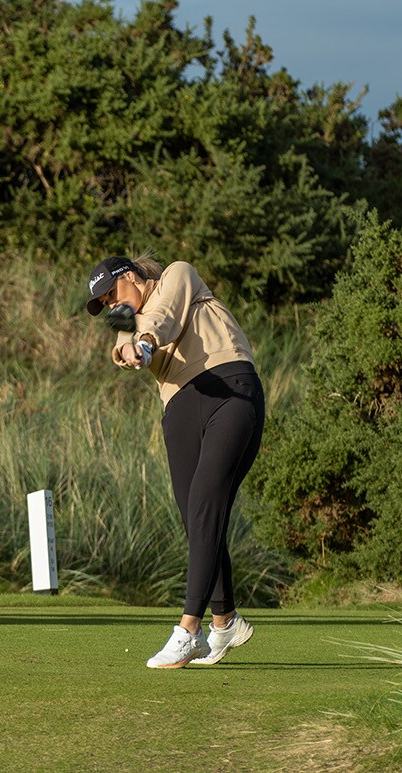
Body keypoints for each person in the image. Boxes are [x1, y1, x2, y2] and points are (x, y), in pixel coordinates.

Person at [85, 254, 265, 668]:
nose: (111, 304)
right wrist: (130, 346)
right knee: (195, 518)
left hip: (230, 389)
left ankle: (188, 631)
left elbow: (161, 318)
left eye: (111, 293)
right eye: (103, 303)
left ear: (130, 276)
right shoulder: (126, 323)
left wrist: (145, 343)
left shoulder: (178, 274)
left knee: (204, 503)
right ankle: (226, 622)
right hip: (179, 407)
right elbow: (126, 344)